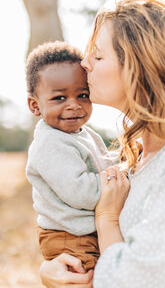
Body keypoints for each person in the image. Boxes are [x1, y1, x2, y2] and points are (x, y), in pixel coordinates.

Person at [40, 0, 165, 287]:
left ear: (143, 66)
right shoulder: (134, 158)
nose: (84, 63)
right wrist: (51, 269)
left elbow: (133, 280)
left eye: (98, 55)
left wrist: (107, 218)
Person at [25, 41, 119, 273]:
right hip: (69, 238)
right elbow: (82, 193)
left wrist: (124, 160)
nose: (74, 105)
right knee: (85, 279)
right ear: (35, 106)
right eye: (59, 98)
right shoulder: (50, 144)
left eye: (83, 95)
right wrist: (118, 179)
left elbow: (104, 163)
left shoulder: (83, 133)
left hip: (84, 231)